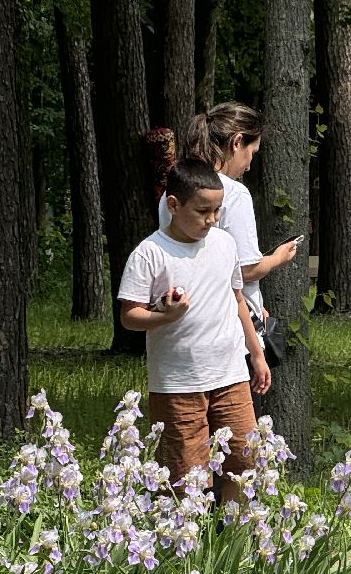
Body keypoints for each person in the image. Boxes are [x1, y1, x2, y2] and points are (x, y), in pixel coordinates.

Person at [118, 159, 270, 502]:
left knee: (243, 464)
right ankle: (187, 550)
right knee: (185, 474)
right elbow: (129, 316)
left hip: (231, 375)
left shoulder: (224, 244)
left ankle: (236, 546)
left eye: (217, 210)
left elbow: (236, 300)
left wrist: (256, 354)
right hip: (178, 383)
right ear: (174, 205)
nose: (212, 219)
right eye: (203, 211)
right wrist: (164, 316)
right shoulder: (149, 253)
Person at [163, 103, 302, 336]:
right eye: (252, 153)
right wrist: (278, 258)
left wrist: (256, 304)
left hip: (183, 316)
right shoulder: (234, 193)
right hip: (227, 325)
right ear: (237, 142)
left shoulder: (175, 191)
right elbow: (246, 271)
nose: (248, 166)